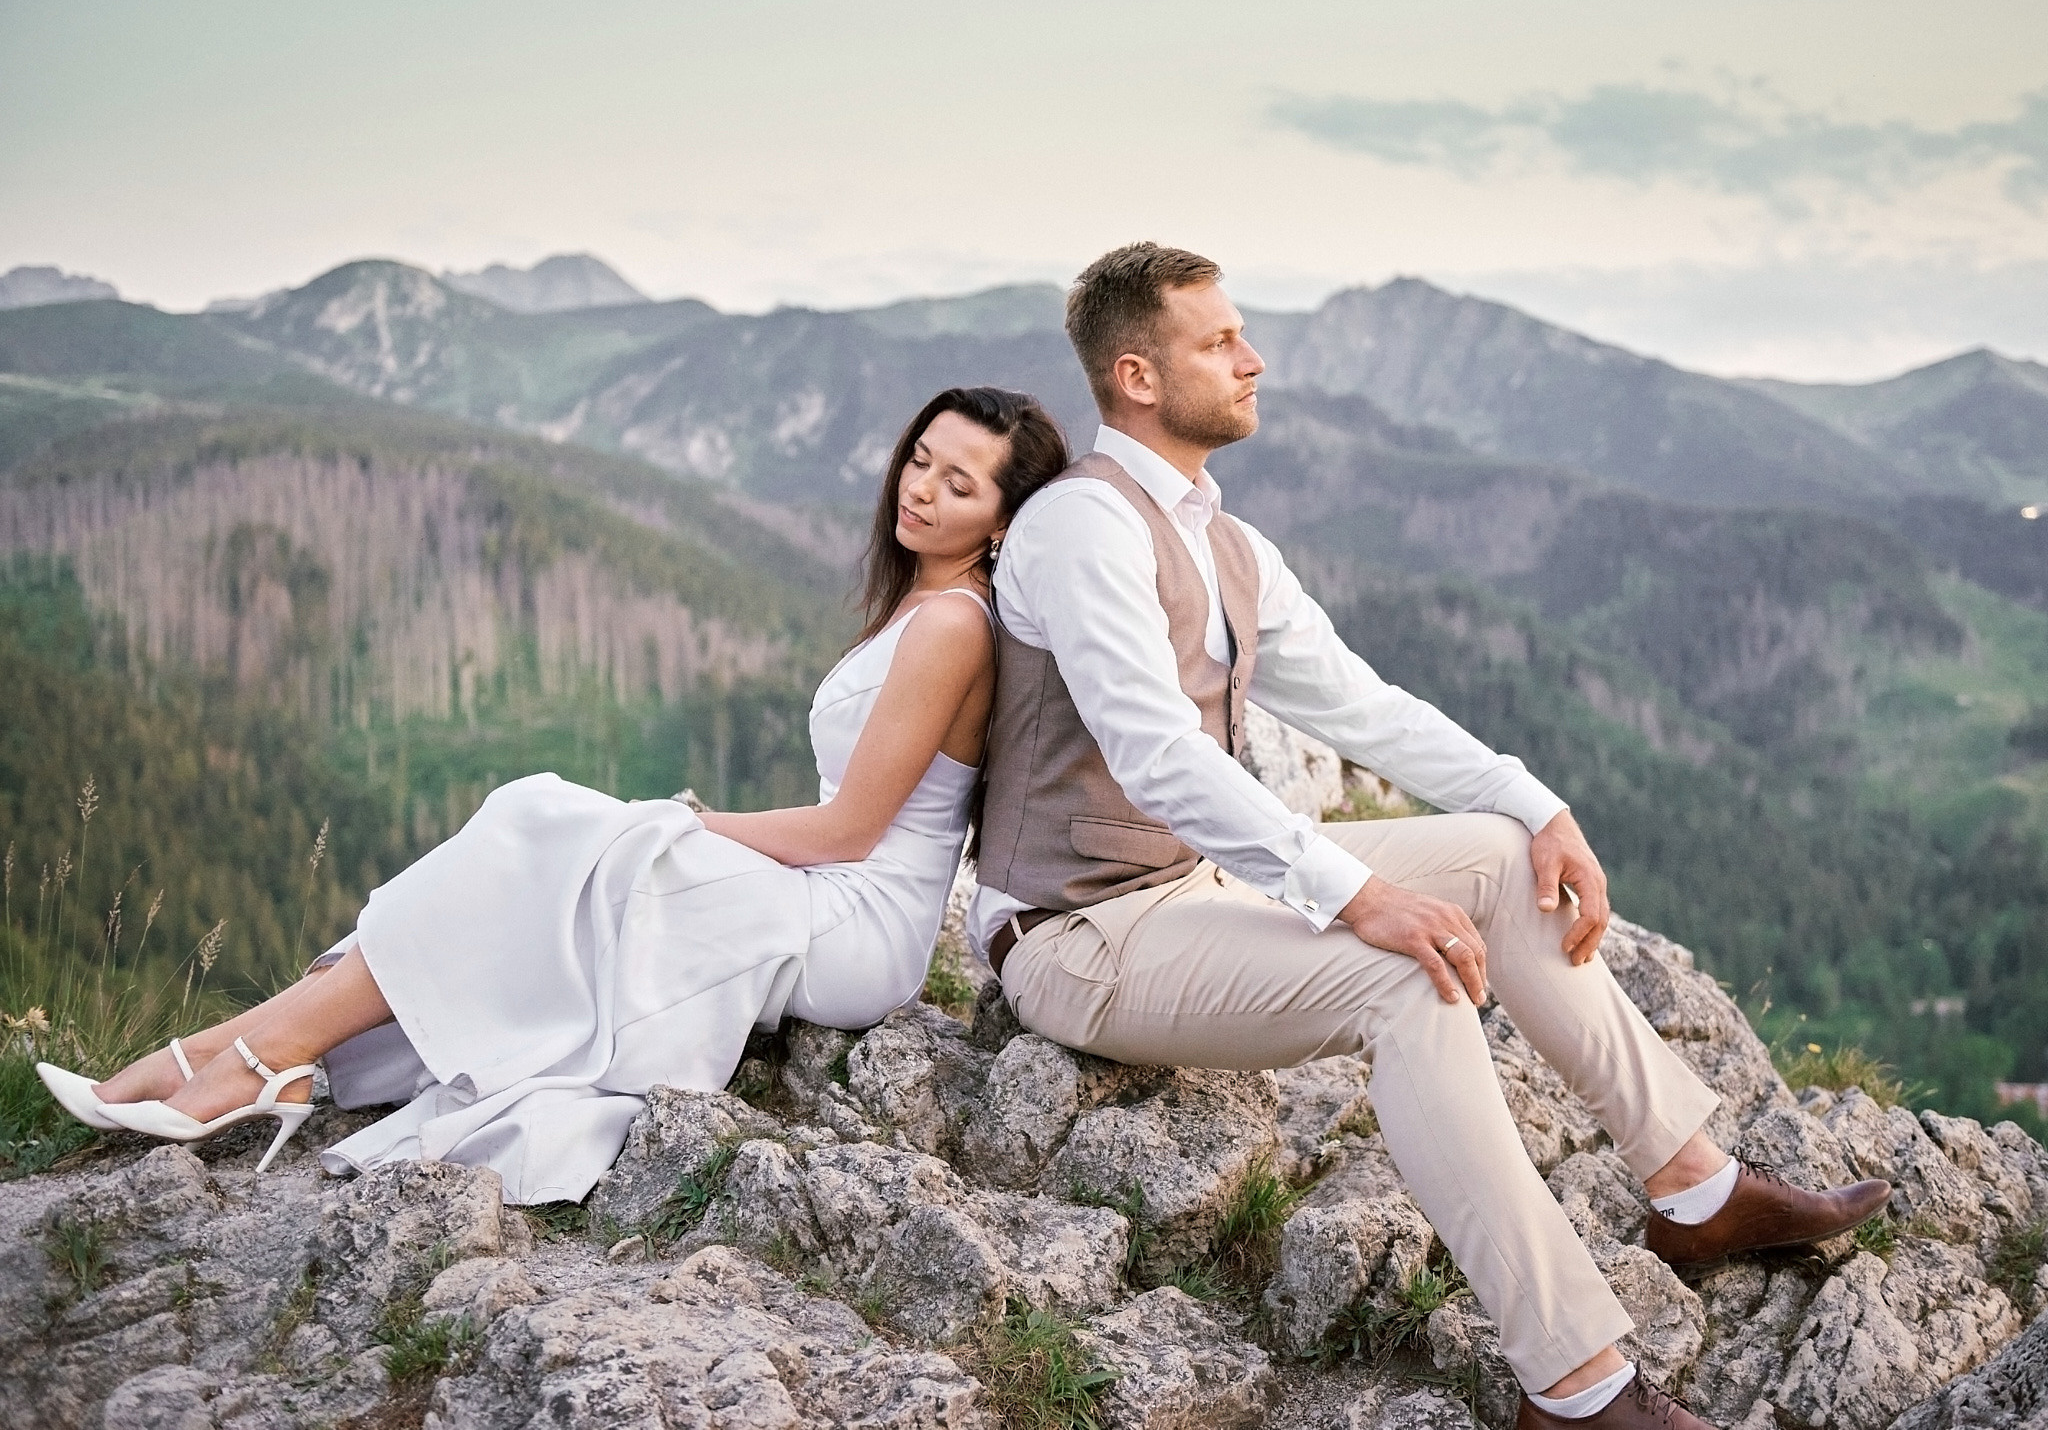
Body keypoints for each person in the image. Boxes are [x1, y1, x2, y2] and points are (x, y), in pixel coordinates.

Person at [968, 245, 1892, 1430]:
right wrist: (1355, 895)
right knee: (1409, 979)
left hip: (1182, 886)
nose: (1254, 359)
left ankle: (1695, 1186)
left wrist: (1538, 803)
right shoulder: (1078, 527)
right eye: (1219, 343)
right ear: (1137, 375)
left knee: (1499, 859)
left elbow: (1363, 705)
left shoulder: (1226, 542)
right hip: (1078, 931)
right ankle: (1572, 1386)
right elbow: (1155, 752)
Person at [39, 386, 1070, 1205]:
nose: (921, 490)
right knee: (542, 829)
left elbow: (850, 828)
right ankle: (239, 1052)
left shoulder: (949, 625)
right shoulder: (926, 605)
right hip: (820, 888)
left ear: (1001, 522)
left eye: (960, 484)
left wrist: (687, 821)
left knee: (563, 829)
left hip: (854, 922)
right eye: (919, 460)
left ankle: (246, 1057)